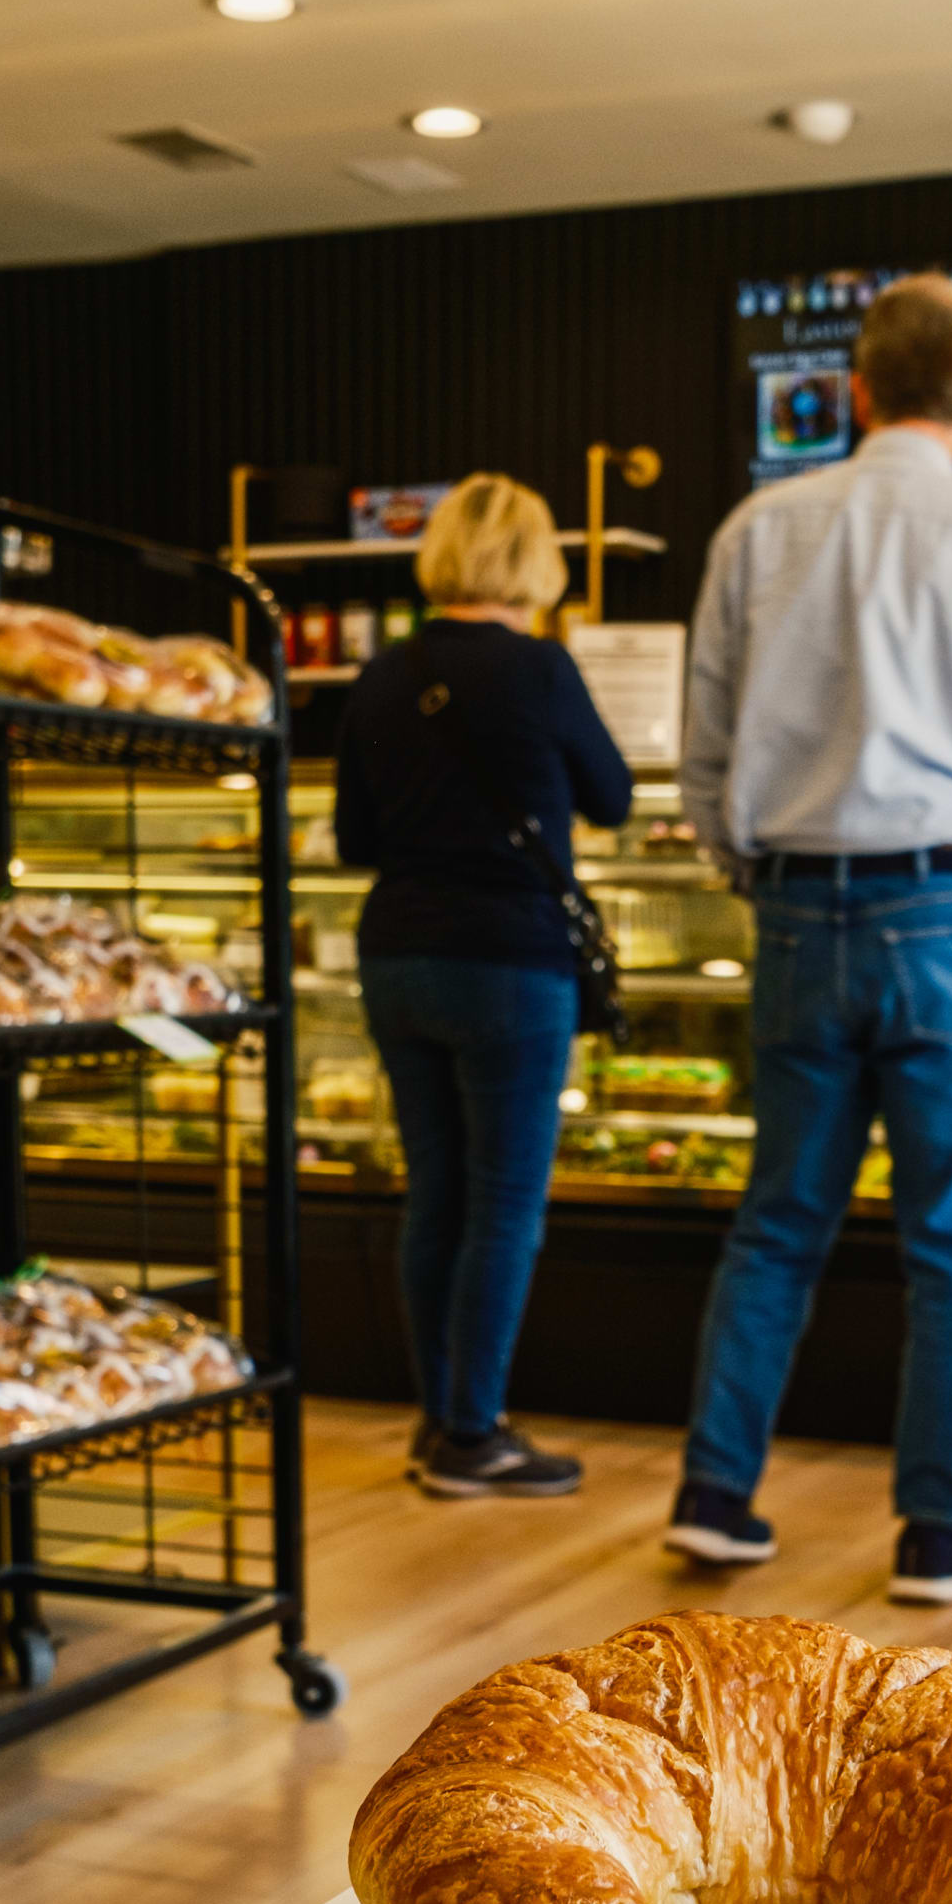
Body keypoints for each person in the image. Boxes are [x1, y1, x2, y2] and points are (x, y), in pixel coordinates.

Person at [667, 272, 952, 1603]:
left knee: (777, 1225)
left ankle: (716, 1497)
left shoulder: (758, 529)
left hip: (799, 908)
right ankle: (935, 1534)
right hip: (950, 913)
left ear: (855, 390)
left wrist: (754, 869)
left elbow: (705, 750)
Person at [336, 472, 634, 1497]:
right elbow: (616, 797)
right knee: (505, 1206)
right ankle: (474, 1435)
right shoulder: (542, 671)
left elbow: (352, 839)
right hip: (509, 959)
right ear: (534, 559)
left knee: (438, 1197)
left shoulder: (384, 673)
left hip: (397, 957)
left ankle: (440, 1420)